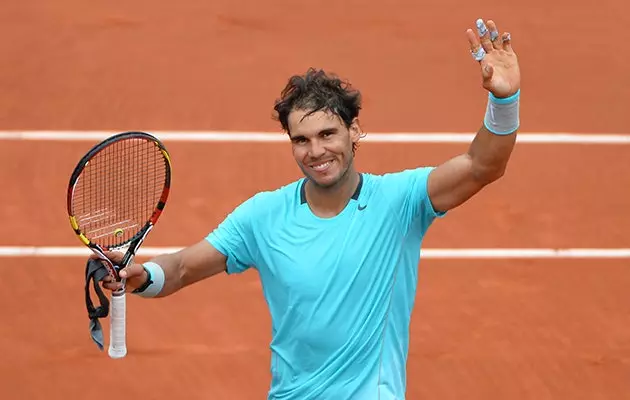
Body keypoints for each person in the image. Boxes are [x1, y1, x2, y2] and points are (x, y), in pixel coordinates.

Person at [98, 18, 521, 400]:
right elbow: (184, 268)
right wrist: (143, 277)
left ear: (355, 131)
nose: (316, 152)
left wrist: (504, 102)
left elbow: (483, 166)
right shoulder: (263, 216)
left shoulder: (400, 202)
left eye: (327, 134)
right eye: (301, 140)